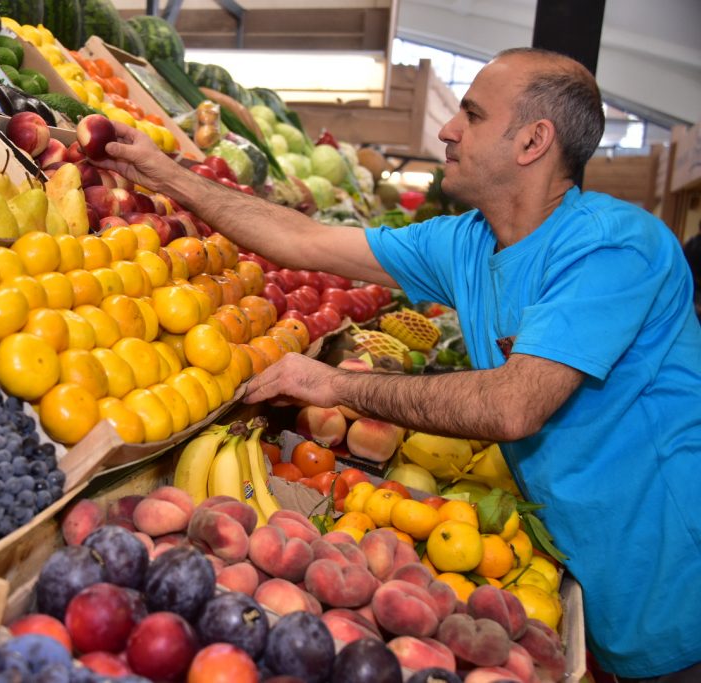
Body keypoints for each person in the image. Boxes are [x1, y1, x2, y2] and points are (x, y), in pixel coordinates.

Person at [96, 47, 701, 679]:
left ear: (532, 141)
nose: (446, 129)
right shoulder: (469, 241)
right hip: (592, 581)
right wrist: (166, 175)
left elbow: (512, 405)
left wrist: (335, 385)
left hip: (676, 593)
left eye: (471, 114)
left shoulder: (610, 247)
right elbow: (303, 240)